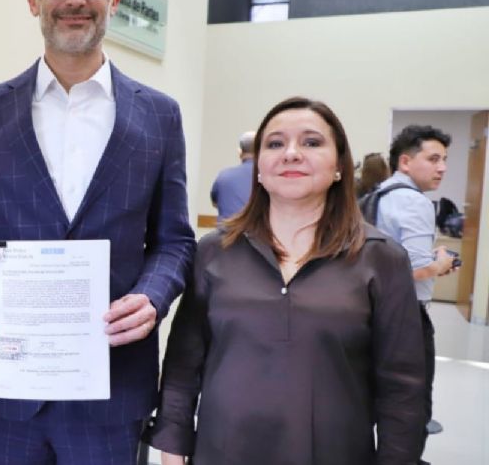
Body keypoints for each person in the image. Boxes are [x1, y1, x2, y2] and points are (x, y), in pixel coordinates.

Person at [0, 0, 195, 464]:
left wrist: (151, 297)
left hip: (112, 388)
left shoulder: (160, 116)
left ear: (114, 1)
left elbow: (174, 240)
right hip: (10, 388)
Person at [145, 97, 426, 465]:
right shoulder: (215, 252)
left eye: (311, 142)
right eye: (275, 144)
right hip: (223, 451)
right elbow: (183, 364)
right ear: (258, 167)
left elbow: (402, 386)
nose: (291, 153)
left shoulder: (381, 258)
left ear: (339, 166)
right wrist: (173, 448)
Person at [376, 125, 456, 455]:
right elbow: (414, 271)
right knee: (412, 404)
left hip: (373, 311)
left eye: (445, 160)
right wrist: (442, 263)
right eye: (433, 158)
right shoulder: (416, 203)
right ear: (405, 162)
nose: (442, 167)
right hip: (407, 317)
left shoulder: (376, 195)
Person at [210, 130, 255, 221]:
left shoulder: (224, 176)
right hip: (258, 233)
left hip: (226, 233)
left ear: (239, 152)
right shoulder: (267, 178)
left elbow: (215, 203)